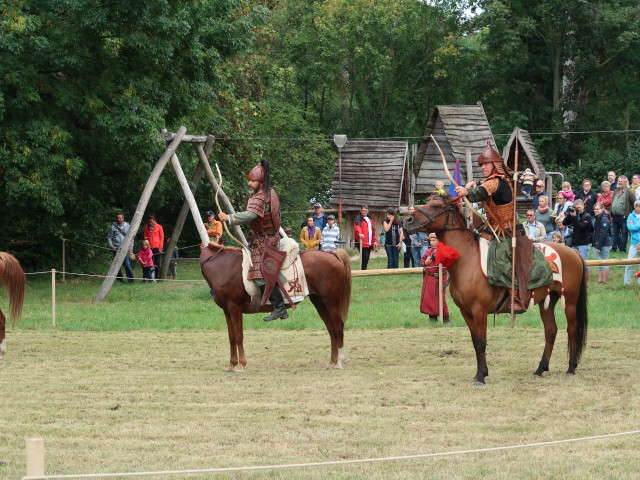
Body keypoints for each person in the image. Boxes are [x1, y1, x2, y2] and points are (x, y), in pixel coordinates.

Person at [454, 140, 530, 311]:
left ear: (495, 164)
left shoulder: (497, 181)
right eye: (481, 165)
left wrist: (467, 191)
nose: (482, 167)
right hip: (494, 230)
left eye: (485, 164)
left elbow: (483, 191)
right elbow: (483, 188)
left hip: (508, 231)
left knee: (501, 258)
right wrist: (474, 185)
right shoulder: (493, 181)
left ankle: (515, 296)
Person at [218, 159, 289, 322]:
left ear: (261, 181)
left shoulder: (260, 196)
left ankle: (279, 308)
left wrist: (229, 218)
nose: (249, 183)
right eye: (249, 180)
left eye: (253, 180)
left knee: (263, 272)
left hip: (266, 241)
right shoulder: (269, 192)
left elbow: (251, 215)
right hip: (266, 238)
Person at [420, 233, 459, 322]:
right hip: (429, 278)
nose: (431, 242)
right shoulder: (428, 251)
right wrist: (426, 262)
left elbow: (449, 260)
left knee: (440, 298)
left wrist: (438, 256)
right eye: (430, 240)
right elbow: (422, 262)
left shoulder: (444, 250)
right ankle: (432, 319)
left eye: (434, 240)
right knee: (429, 299)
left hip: (440, 277)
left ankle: (445, 319)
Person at [562, 199, 594, 281]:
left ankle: (586, 280)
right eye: (576, 207)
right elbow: (564, 223)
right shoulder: (573, 214)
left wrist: (575, 217)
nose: (577, 209)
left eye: (579, 207)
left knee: (584, 263)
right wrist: (570, 214)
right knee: (574, 262)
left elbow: (581, 227)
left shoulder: (587, 216)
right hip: (574, 242)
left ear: (583, 206)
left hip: (583, 243)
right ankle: (576, 279)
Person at [610, 175, 635, 253]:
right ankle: (613, 248)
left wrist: (632, 215)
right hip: (614, 216)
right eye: (619, 181)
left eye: (621, 181)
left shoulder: (629, 192)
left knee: (624, 234)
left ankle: (622, 249)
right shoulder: (615, 191)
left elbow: (634, 203)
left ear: (625, 182)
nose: (620, 182)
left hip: (624, 217)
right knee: (614, 233)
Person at [107, 213, 134, 283]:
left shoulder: (128, 226)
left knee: (127, 264)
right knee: (116, 265)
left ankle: (131, 280)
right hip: (116, 248)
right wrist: (111, 246)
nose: (118, 219)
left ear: (123, 218)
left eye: (120, 218)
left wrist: (131, 247)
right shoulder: (113, 227)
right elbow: (109, 237)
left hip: (125, 248)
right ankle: (119, 280)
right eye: (117, 218)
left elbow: (131, 238)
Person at [592, 202, 612, 284]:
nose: (596, 210)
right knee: (599, 263)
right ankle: (600, 280)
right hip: (598, 243)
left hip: (604, 244)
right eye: (595, 209)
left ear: (602, 209)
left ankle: (605, 281)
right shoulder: (598, 217)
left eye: (597, 209)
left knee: (604, 262)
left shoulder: (604, 218)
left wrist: (599, 246)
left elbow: (603, 233)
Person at [354, 204, 378, 270]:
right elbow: (357, 227)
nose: (364, 212)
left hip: (369, 240)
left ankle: (364, 269)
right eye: (363, 210)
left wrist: (374, 240)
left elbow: (373, 231)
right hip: (362, 240)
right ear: (361, 210)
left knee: (367, 256)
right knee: (364, 256)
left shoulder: (370, 218)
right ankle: (362, 269)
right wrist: (360, 233)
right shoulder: (358, 218)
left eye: (365, 210)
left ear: (368, 211)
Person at [143, 213, 164, 280]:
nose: (150, 223)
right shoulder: (146, 227)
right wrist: (146, 242)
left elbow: (162, 237)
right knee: (149, 262)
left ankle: (157, 277)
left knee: (157, 262)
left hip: (157, 247)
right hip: (149, 247)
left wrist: (160, 247)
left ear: (154, 220)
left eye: (151, 221)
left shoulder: (159, 227)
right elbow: (145, 236)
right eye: (149, 222)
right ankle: (150, 276)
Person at [624, 200, 640, 285]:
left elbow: (634, 227)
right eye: (636, 206)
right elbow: (630, 227)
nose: (638, 208)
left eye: (639, 206)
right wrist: (638, 226)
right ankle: (626, 282)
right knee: (629, 262)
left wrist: (635, 226)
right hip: (634, 243)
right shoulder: (631, 216)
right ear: (634, 207)